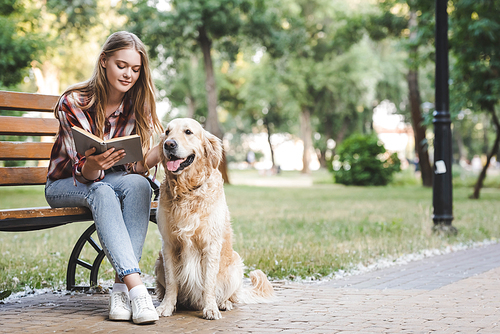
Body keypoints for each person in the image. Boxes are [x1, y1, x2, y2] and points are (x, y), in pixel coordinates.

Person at [45, 31, 163, 324]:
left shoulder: (136, 104)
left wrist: (158, 153)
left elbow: (134, 170)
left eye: (135, 69)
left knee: (137, 184)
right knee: (101, 190)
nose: (129, 74)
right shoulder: (74, 102)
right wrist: (95, 165)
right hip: (66, 184)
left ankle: (120, 290)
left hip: (108, 182)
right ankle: (138, 290)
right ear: (104, 62)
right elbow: (83, 174)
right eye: (122, 65)